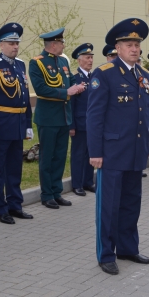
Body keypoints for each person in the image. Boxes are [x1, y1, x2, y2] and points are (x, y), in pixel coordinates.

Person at [87, 18, 149, 275]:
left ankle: (127, 248)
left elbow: (145, 115)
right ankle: (106, 254)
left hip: (136, 151)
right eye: (129, 44)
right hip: (112, 153)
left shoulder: (145, 76)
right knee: (109, 206)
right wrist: (95, 152)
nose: (135, 49)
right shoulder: (104, 74)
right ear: (117, 47)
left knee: (131, 203)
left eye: (137, 44)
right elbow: (94, 117)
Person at [0, 23, 33, 225]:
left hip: (18, 124)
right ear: (1, 45)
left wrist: (28, 122)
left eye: (17, 43)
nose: (15, 47)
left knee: (14, 168)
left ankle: (15, 205)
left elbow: (25, 96)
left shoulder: (20, 65)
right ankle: (0, 208)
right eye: (11, 43)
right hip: (1, 126)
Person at [28, 28, 85, 209]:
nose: (63, 45)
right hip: (48, 117)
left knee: (60, 157)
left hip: (63, 116)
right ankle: (47, 194)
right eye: (61, 43)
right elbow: (41, 89)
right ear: (53, 44)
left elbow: (66, 83)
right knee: (47, 157)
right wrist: (66, 92)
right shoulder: (37, 63)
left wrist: (77, 87)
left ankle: (57, 191)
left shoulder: (63, 61)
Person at [69, 43, 95, 196]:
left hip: (93, 124)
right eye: (87, 57)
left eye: (91, 58)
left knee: (91, 153)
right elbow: (71, 104)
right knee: (78, 154)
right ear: (79, 60)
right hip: (79, 123)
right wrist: (71, 125)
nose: (90, 61)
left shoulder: (94, 77)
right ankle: (77, 184)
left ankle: (88, 181)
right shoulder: (75, 78)